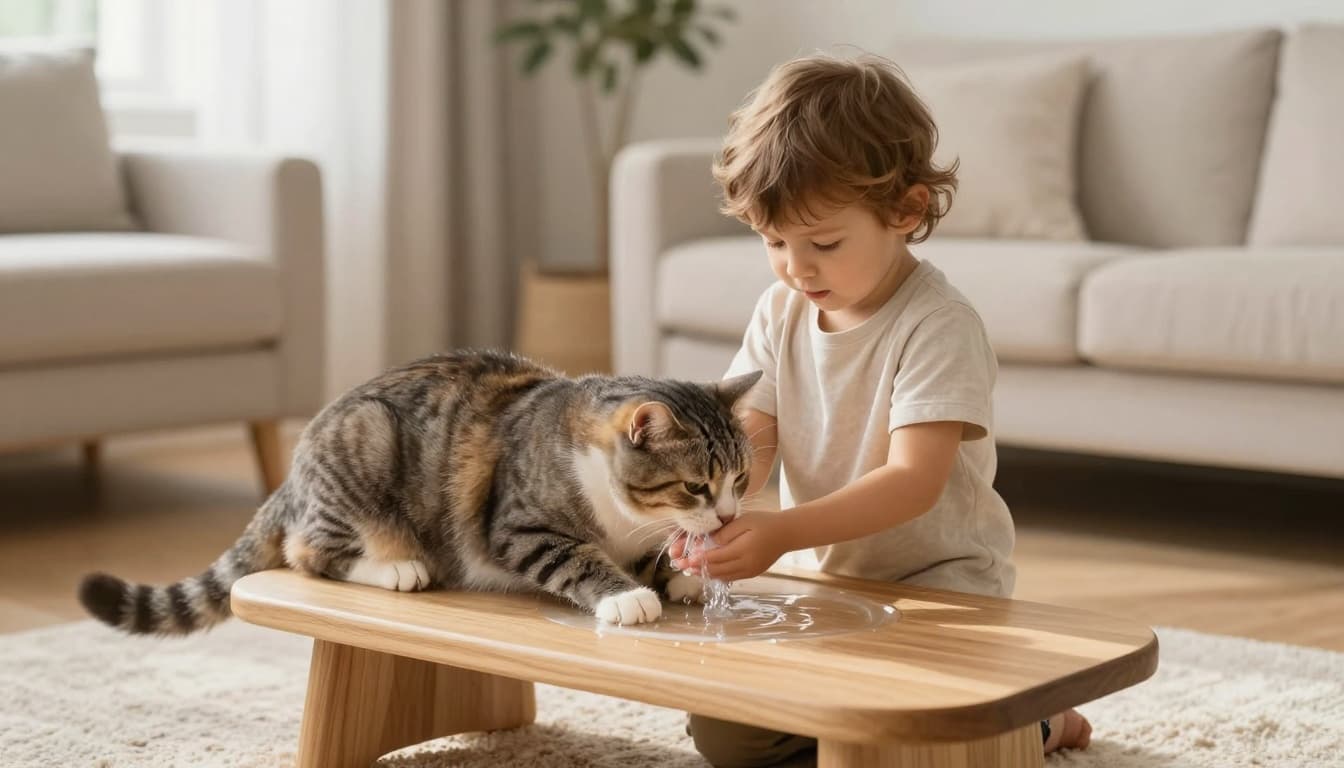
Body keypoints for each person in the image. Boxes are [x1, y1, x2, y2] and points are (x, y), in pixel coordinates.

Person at [670, 52, 1093, 767]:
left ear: (906, 211)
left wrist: (783, 529)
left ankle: (1044, 722)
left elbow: (913, 482)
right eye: (774, 243)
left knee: (919, 735)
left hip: (943, 594)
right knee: (725, 736)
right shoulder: (781, 311)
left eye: (824, 243)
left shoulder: (937, 323)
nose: (796, 268)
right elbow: (754, 434)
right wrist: (717, 510)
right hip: (828, 588)